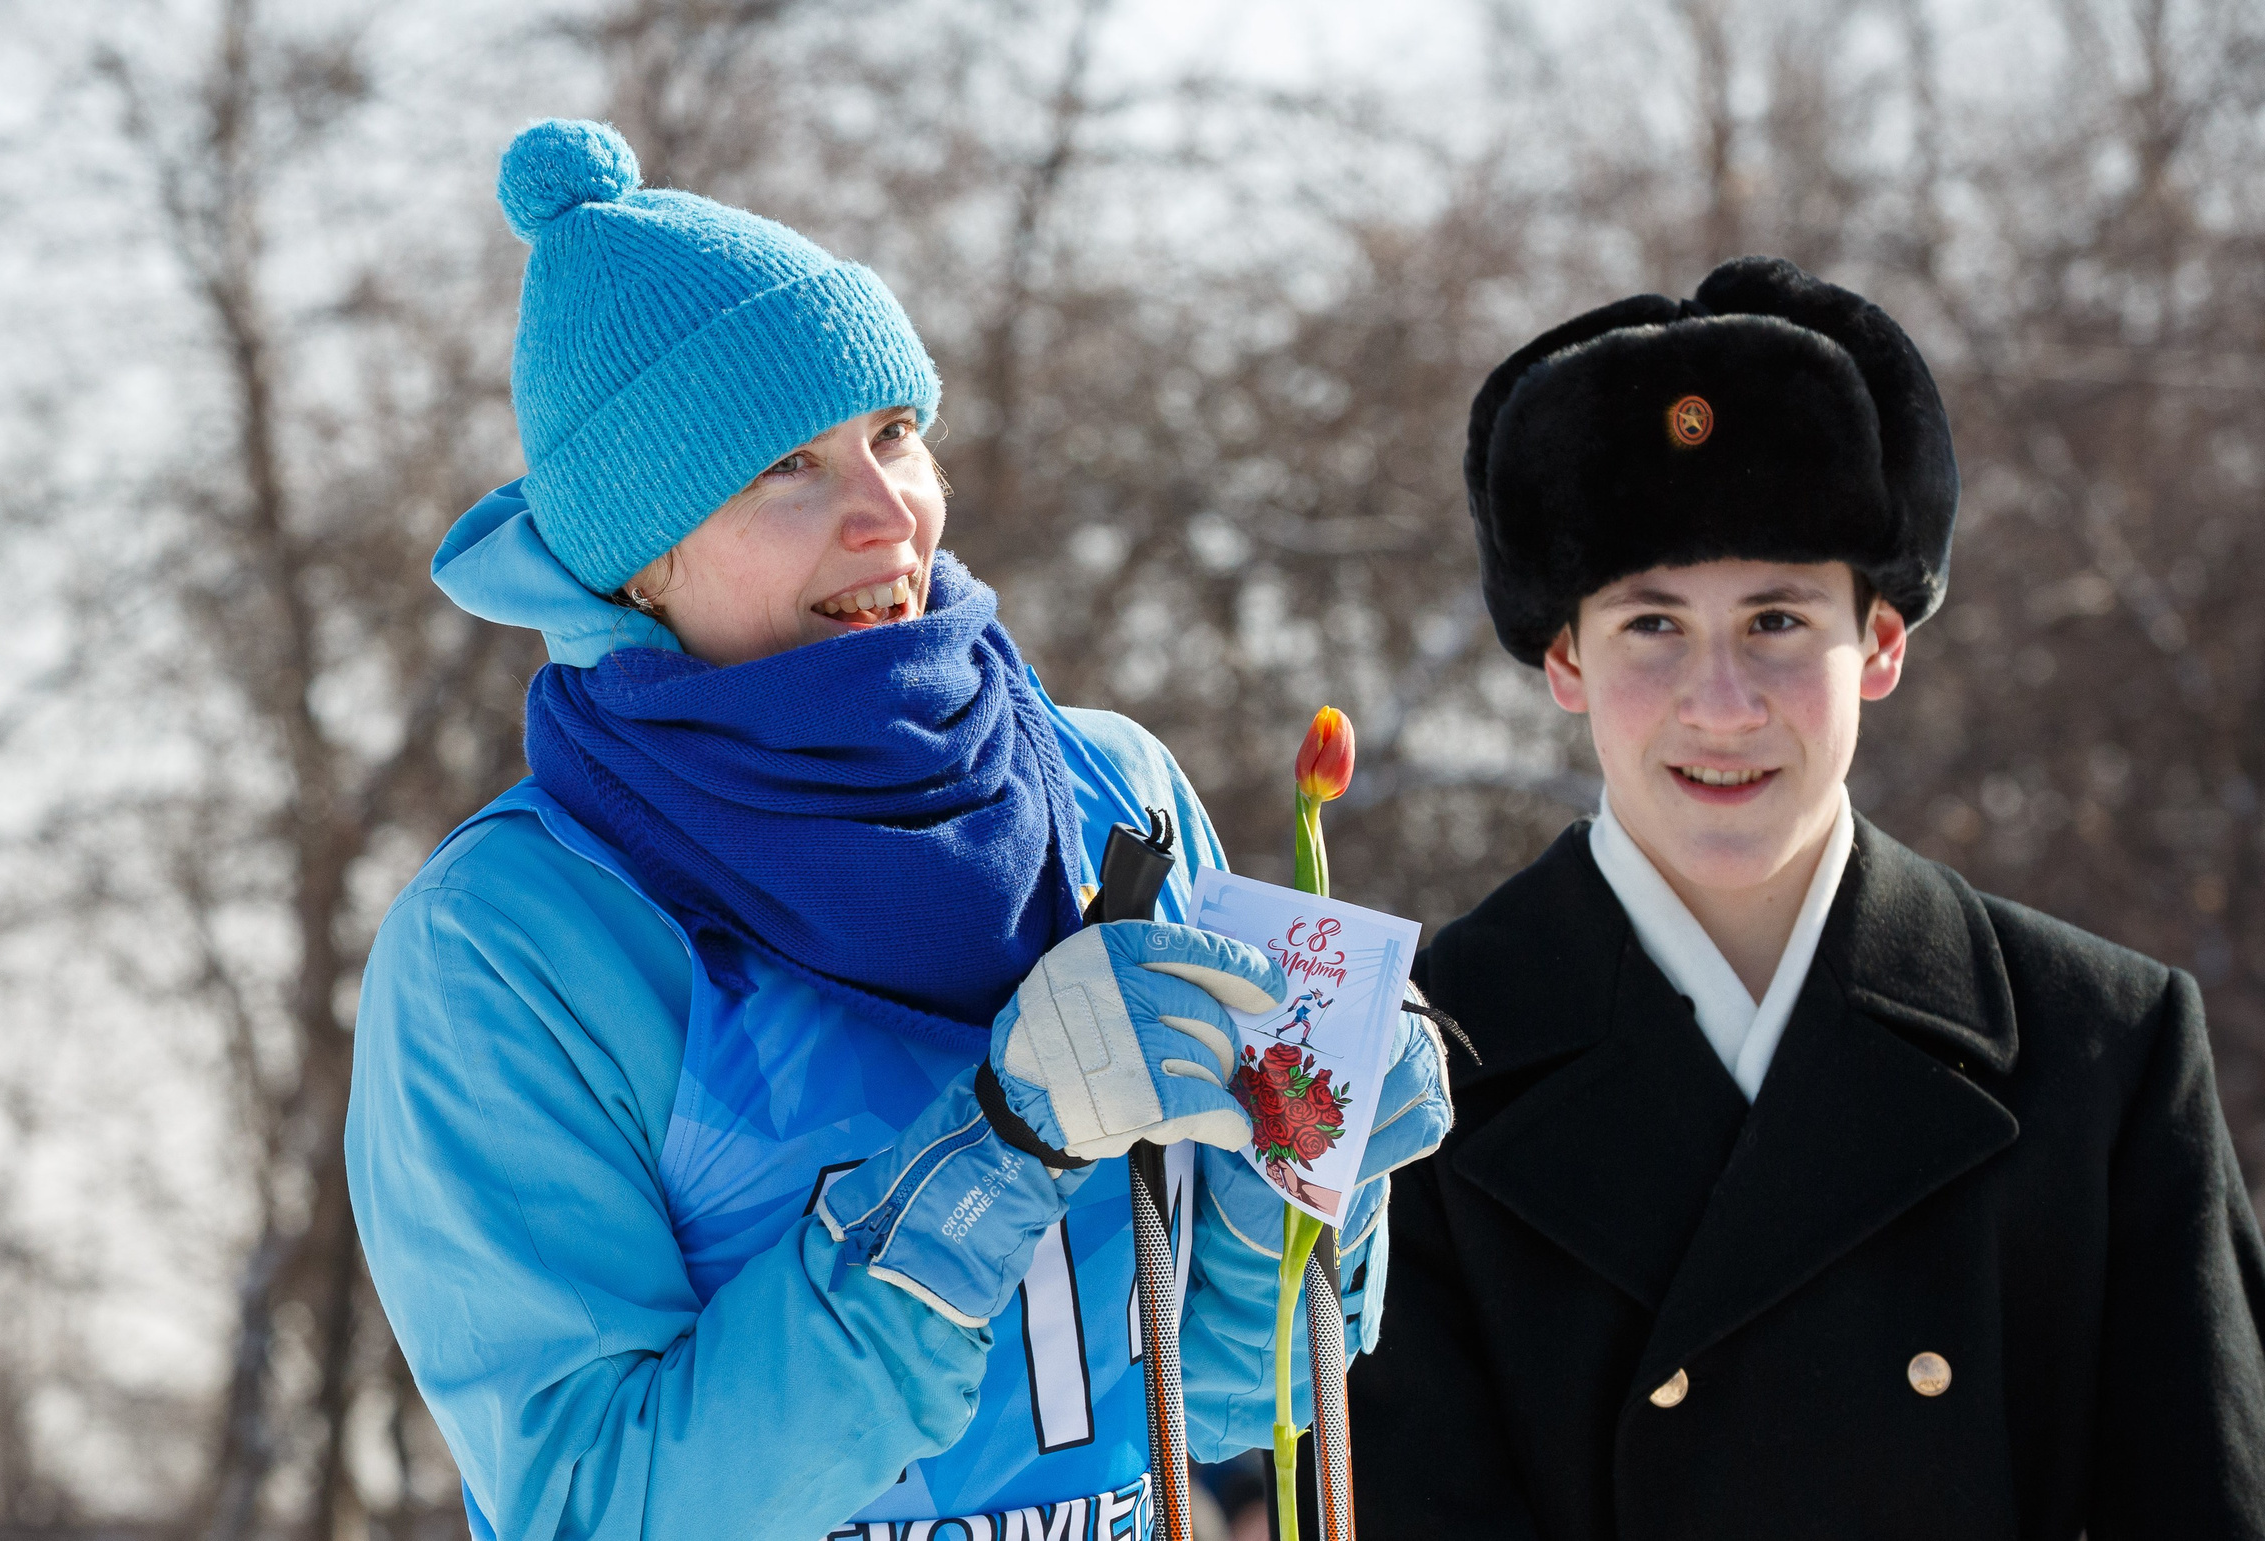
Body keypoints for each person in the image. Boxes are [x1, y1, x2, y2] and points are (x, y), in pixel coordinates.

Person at [344, 119, 1453, 1540]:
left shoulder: (1111, 797)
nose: (886, 515)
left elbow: (1223, 1403)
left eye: (893, 434)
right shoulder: (510, 942)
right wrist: (980, 1168)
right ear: (639, 560)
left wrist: (1304, 1186)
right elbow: (591, 1504)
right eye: (787, 469)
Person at [1351, 256, 2265, 1538]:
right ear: (1564, 657)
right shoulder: (1405, 1064)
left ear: (1879, 641)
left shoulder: (2101, 1052)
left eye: (1777, 619)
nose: (1719, 701)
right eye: (1650, 626)